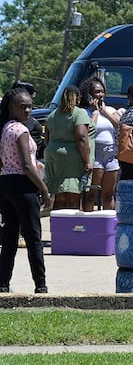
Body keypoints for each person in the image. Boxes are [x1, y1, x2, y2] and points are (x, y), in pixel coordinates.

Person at [0, 86, 53, 293]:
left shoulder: (5, 128)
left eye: (30, 107)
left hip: (5, 184)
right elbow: (27, 165)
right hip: (22, 185)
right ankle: (40, 285)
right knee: (33, 238)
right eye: (23, 107)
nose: (28, 111)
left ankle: (3, 283)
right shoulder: (21, 130)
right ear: (12, 107)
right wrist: (44, 189)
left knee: (10, 238)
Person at [43, 85, 94, 210]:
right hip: (72, 159)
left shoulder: (52, 115)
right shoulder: (78, 113)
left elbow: (47, 138)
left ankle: (58, 226)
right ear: (78, 98)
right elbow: (81, 137)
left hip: (53, 157)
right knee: (73, 195)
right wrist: (87, 161)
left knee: (59, 195)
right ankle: (71, 226)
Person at [79, 76, 120, 211]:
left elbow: (119, 125)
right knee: (91, 194)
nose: (100, 94)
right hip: (95, 155)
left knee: (108, 194)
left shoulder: (110, 110)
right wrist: (95, 112)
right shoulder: (85, 112)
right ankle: (88, 224)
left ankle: (108, 225)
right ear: (89, 94)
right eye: (97, 92)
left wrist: (104, 112)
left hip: (110, 154)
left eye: (102, 91)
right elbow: (89, 130)